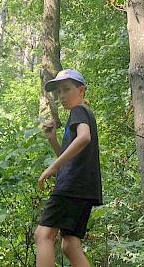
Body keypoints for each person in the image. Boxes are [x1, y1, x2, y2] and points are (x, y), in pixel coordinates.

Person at [34, 69, 102, 267]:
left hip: (72, 187)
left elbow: (84, 137)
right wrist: (53, 139)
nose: (61, 96)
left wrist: (52, 168)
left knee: (43, 235)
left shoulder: (79, 111)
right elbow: (71, 158)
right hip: (84, 188)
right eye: (58, 92)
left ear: (81, 91)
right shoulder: (83, 114)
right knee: (70, 244)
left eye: (66, 90)